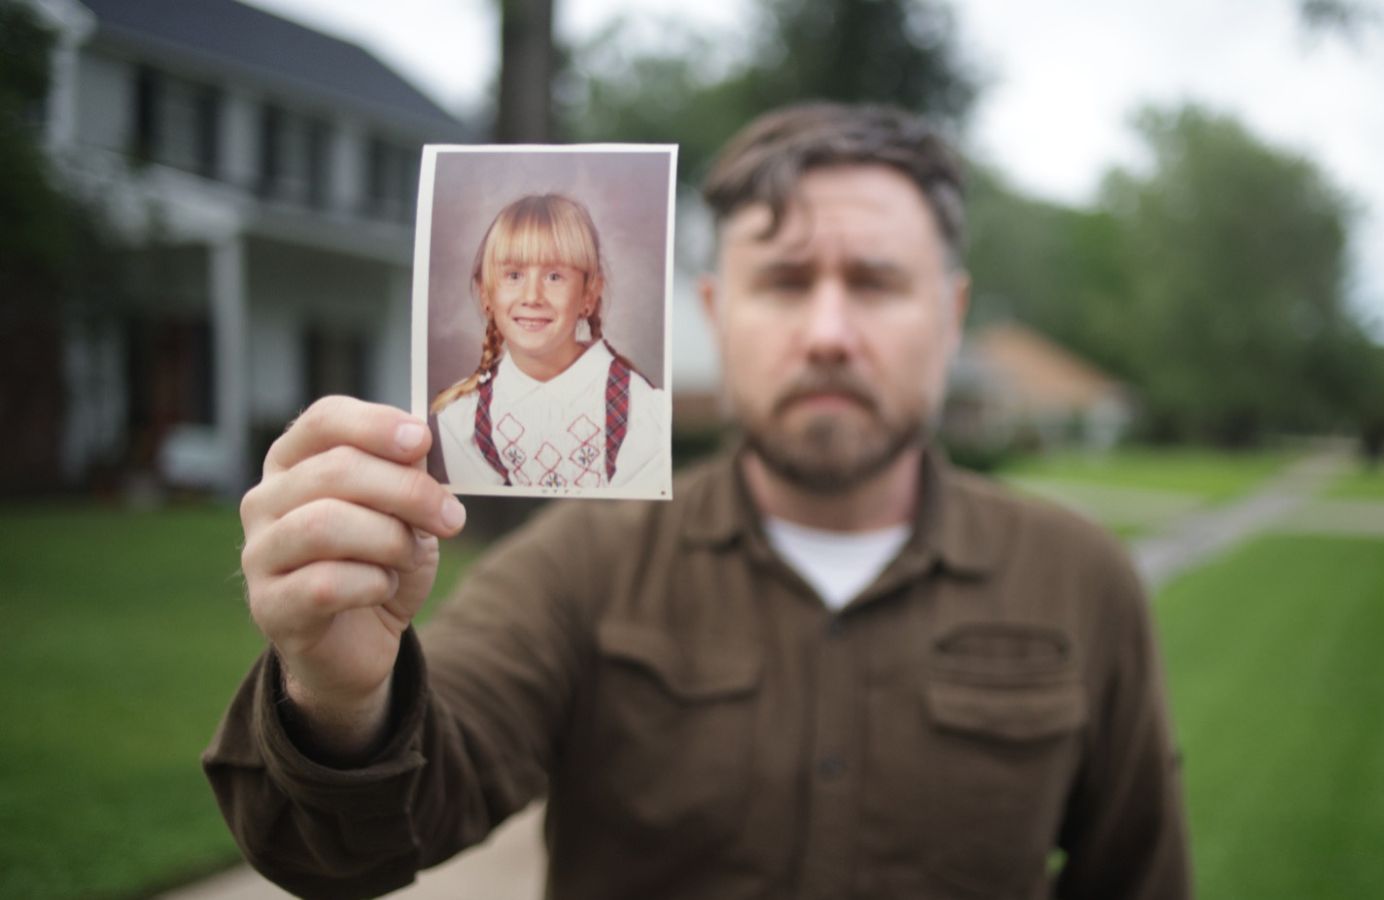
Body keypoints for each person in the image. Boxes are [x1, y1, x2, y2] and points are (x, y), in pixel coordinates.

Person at [207, 103, 1192, 899]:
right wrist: (342, 698)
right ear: (718, 312)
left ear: (952, 313)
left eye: (878, 282)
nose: (830, 332)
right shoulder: (583, 563)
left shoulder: (1080, 580)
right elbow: (353, 845)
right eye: (786, 281)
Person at [430, 192, 667, 491]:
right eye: (513, 275)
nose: (531, 297)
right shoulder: (464, 418)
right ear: (486, 294)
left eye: (554, 276)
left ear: (588, 296)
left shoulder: (641, 410)